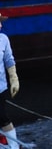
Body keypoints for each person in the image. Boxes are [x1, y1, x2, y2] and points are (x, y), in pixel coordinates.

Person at [0, 13, 19, 149]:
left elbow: (9, 60)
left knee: (3, 118)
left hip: (0, 87)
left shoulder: (3, 39)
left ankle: (13, 146)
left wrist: (14, 78)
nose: (0, 25)